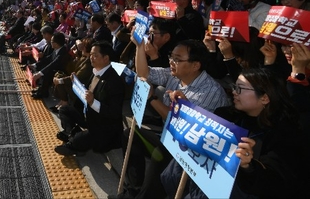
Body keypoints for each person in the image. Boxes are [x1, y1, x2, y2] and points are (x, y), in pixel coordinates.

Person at [161, 68, 306, 198]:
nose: (234, 92)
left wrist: (248, 166)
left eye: (240, 88)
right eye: (234, 87)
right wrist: (189, 112)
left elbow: (276, 182)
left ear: (264, 98)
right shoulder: (227, 115)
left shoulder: (285, 134)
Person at [119, 38, 230, 199]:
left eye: (178, 59)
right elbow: (144, 73)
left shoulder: (210, 91)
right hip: (169, 136)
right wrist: (140, 46)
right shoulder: (176, 75)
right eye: (172, 57)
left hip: (193, 150)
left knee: (161, 154)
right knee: (130, 134)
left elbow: (180, 124)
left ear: (195, 65)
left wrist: (152, 99)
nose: (171, 62)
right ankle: (136, 188)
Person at [54, 41, 126, 156]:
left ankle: (73, 142)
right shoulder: (96, 71)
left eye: (95, 55)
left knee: (80, 140)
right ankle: (70, 133)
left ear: (106, 58)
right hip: (89, 116)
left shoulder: (114, 81)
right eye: (91, 55)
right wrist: (77, 84)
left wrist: (93, 102)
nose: (91, 58)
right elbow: (87, 91)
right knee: (64, 110)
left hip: (104, 125)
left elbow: (114, 112)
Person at [31, 31, 72, 99]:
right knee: (43, 67)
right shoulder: (57, 49)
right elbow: (48, 58)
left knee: (47, 72)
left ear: (56, 44)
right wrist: (35, 64)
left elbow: (53, 63)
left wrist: (40, 73)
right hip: (55, 69)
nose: (50, 42)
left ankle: (43, 92)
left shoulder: (63, 52)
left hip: (62, 72)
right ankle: (41, 89)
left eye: (52, 41)